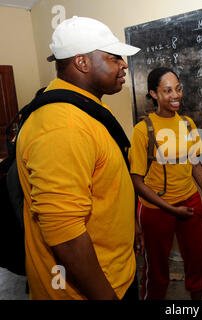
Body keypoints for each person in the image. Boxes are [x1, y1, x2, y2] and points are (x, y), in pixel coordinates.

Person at [16, 16, 141, 300]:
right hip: (88, 290)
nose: (123, 64)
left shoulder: (81, 109)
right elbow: (65, 234)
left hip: (114, 270)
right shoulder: (64, 126)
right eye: (113, 57)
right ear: (82, 62)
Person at [128, 67, 202, 300]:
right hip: (156, 208)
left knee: (196, 262)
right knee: (157, 270)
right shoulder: (143, 130)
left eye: (178, 89)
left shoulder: (187, 124)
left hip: (189, 201)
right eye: (167, 90)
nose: (176, 95)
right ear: (153, 93)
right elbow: (137, 182)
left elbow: (195, 165)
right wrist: (171, 209)